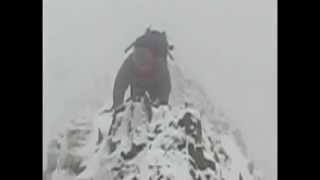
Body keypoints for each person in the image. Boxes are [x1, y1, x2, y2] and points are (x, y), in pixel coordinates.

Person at [110, 28, 173, 111]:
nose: (142, 67)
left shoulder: (158, 62)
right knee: (138, 104)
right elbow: (120, 82)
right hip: (147, 81)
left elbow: (165, 84)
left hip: (146, 82)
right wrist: (117, 105)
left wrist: (117, 104)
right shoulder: (131, 62)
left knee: (144, 104)